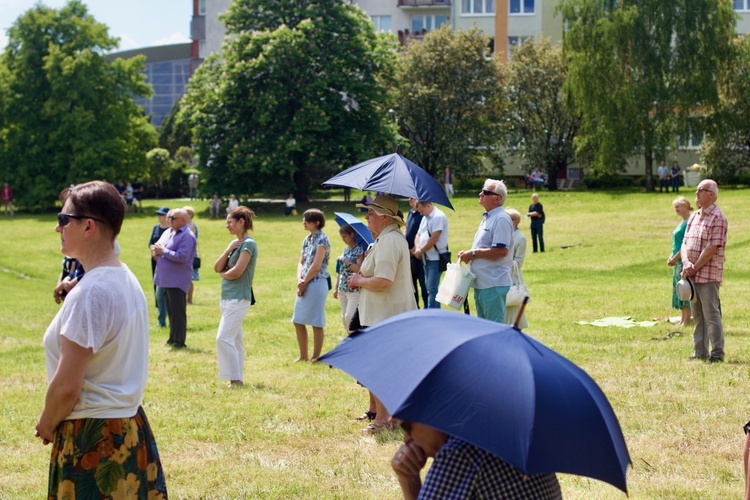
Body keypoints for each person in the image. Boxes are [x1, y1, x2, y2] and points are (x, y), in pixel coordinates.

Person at [36, 180, 168, 497]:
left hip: (92, 436)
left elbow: (68, 386)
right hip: (128, 429)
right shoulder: (125, 278)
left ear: (89, 226)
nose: (58, 227)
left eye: (63, 219)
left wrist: (47, 421)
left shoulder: (90, 292)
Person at [348, 195, 417, 433]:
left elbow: (384, 280)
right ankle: (389, 416)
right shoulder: (387, 238)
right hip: (384, 313)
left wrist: (359, 279)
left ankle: (384, 420)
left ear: (385, 217)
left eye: (371, 213)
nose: (366, 217)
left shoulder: (389, 241)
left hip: (385, 315)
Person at [391, 420, 561, 499]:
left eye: (407, 426)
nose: (406, 438)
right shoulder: (507, 433)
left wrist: (409, 481)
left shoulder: (460, 452)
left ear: (434, 415)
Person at [681, 179, 727, 363]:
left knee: (711, 316)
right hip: (692, 274)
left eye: (701, 190)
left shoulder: (718, 218)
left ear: (712, 195)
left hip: (708, 275)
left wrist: (694, 267)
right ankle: (699, 351)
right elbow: (684, 243)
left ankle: (717, 353)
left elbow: (711, 248)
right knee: (697, 316)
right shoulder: (694, 216)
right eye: (696, 190)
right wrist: (686, 263)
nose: (697, 193)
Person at [457, 180, 514, 323]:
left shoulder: (501, 219)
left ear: (497, 199)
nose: (481, 193)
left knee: (494, 330)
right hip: (483, 282)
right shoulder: (488, 217)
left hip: (493, 283)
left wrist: (474, 253)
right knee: (484, 328)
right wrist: (469, 253)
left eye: (486, 192)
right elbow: (485, 246)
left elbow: (500, 251)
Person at [214, 206, 258, 388]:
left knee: (223, 338)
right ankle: (238, 377)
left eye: (230, 222)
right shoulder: (236, 245)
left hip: (238, 298)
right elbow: (217, 267)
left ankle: (235, 379)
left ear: (241, 222)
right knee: (235, 341)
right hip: (227, 298)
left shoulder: (249, 244)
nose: (227, 226)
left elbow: (237, 272)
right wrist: (228, 249)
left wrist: (225, 273)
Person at [152, 208, 197, 348]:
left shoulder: (187, 236)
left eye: (173, 218)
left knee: (178, 311)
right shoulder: (168, 232)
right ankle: (172, 338)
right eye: (169, 217)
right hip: (165, 278)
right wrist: (156, 250)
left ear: (183, 221)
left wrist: (163, 251)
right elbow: (157, 246)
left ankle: (179, 341)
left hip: (177, 279)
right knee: (170, 310)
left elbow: (182, 257)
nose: (169, 220)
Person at [292, 208, 331, 362]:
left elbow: (316, 266)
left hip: (317, 283)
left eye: (307, 220)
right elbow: (301, 262)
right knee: (298, 320)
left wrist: (304, 282)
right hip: (305, 282)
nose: (304, 222)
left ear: (317, 223)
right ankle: (303, 356)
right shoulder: (307, 239)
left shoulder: (322, 239)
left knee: (316, 321)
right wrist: (299, 280)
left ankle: (316, 356)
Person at [414, 200, 449, 309]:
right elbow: (418, 235)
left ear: (428, 205)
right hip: (427, 258)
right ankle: (435, 313)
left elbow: (434, 238)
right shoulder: (425, 217)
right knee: (429, 288)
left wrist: (420, 250)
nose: (420, 213)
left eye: (421, 210)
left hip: (436, 258)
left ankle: (431, 313)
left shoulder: (438, 216)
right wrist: (417, 248)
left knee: (432, 288)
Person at [667, 196, 693, 327]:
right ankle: (683, 318)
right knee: (679, 289)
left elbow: (685, 244)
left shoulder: (690, 222)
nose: (676, 209)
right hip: (677, 260)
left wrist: (676, 258)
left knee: (685, 289)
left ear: (686, 206)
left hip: (683, 260)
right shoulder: (682, 222)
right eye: (675, 207)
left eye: (678, 206)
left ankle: (687, 320)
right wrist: (671, 256)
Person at [333, 224, 364, 333]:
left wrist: (346, 261)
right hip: (342, 288)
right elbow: (340, 270)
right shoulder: (346, 249)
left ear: (352, 235)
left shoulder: (359, 250)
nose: (343, 240)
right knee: (343, 318)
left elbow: (359, 269)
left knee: (349, 317)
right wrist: (336, 287)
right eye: (342, 238)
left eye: (345, 237)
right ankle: (350, 339)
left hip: (353, 290)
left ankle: (355, 338)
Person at [505, 208, 528, 328]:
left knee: (512, 307)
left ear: (513, 221)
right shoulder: (504, 235)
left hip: (512, 278)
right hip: (501, 276)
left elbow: (518, 262)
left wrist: (503, 260)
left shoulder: (521, 238)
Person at [149, 206, 170, 327]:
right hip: (156, 261)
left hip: (167, 262)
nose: (159, 217)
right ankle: (160, 316)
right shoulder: (156, 228)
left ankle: (167, 316)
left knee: (166, 291)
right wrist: (153, 250)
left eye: (162, 215)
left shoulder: (171, 231)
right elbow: (151, 243)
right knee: (157, 288)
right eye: (158, 215)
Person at [406, 198, 428, 308]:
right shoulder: (410, 213)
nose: (409, 199)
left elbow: (422, 234)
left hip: (420, 254)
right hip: (410, 256)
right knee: (412, 285)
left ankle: (427, 309)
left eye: (411, 197)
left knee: (424, 284)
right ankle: (415, 308)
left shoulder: (422, 214)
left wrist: (415, 249)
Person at [184, 206, 199, 304]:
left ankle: (189, 299)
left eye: (189, 213)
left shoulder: (192, 226)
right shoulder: (182, 225)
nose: (187, 215)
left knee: (189, 278)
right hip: (184, 252)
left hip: (190, 254)